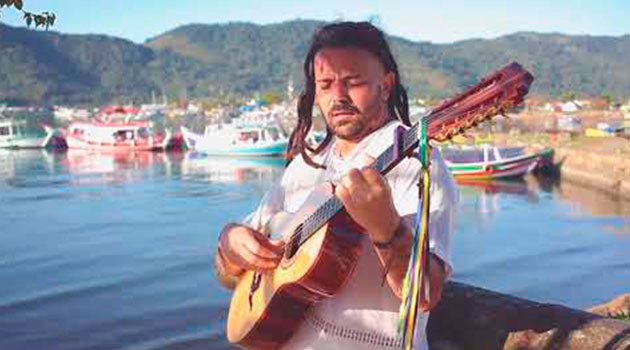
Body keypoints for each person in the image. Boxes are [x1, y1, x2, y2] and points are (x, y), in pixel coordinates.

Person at [213, 21, 458, 350]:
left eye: (353, 82)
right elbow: (228, 276)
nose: (337, 97)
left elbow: (425, 294)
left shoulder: (417, 162)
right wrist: (230, 245)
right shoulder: (306, 164)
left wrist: (386, 228)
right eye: (325, 84)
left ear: (386, 86)